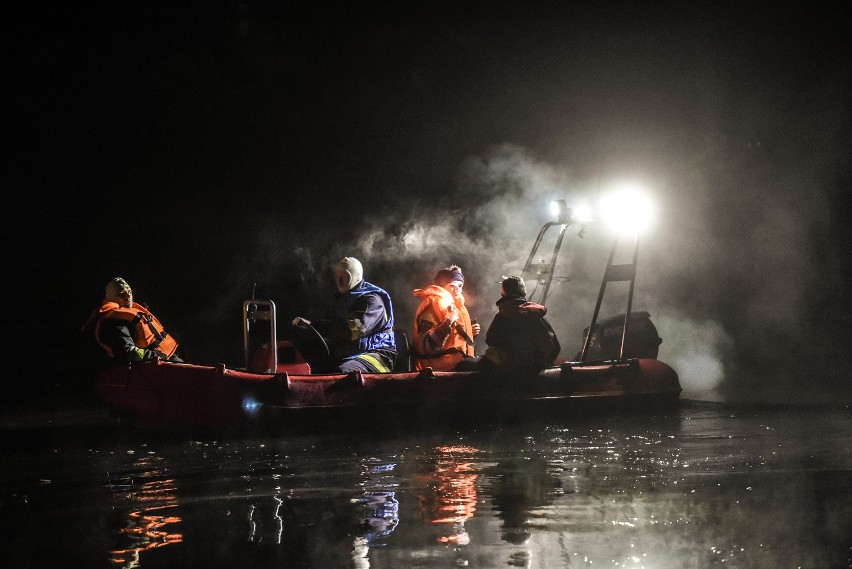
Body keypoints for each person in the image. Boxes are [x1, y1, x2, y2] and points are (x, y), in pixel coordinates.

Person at [292, 257, 397, 373]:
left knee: (342, 373)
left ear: (356, 276)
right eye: (337, 276)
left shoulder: (372, 301)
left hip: (376, 356)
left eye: (345, 276)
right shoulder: (339, 301)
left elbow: (355, 329)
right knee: (314, 368)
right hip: (351, 354)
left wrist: (315, 325)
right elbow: (330, 326)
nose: (339, 281)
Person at [84, 277, 183, 363]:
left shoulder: (129, 312)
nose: (128, 297)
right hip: (152, 364)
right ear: (112, 298)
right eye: (121, 294)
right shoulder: (114, 322)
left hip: (168, 356)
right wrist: (156, 355)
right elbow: (128, 352)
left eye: (129, 292)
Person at [480, 275, 560, 374]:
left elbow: (491, 341)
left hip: (510, 376)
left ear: (503, 293)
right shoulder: (536, 314)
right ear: (524, 292)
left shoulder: (502, 317)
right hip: (535, 375)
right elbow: (555, 346)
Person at [411, 264, 480, 371]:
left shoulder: (459, 309)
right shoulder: (431, 308)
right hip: (440, 371)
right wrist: (448, 322)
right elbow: (427, 347)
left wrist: (469, 333)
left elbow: (454, 342)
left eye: (460, 285)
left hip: (459, 367)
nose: (457, 289)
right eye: (452, 285)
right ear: (441, 287)